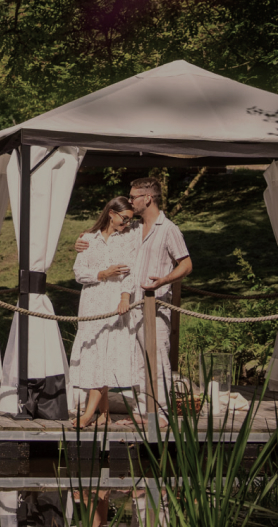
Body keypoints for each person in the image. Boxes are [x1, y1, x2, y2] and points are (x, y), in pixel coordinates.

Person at [76, 177, 192, 416]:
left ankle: (161, 414)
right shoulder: (134, 228)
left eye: (133, 197)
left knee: (157, 358)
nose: (130, 201)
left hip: (156, 305)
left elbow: (186, 264)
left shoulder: (168, 229)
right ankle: (142, 412)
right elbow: (107, 233)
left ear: (147, 198)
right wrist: (83, 239)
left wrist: (164, 280)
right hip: (133, 305)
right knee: (138, 360)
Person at [68, 196, 141, 428]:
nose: (127, 224)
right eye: (124, 219)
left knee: (105, 355)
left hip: (114, 304)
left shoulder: (128, 238)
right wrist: (102, 273)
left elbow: (131, 272)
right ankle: (105, 413)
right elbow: (79, 272)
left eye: (130, 220)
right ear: (111, 213)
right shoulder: (89, 239)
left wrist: (124, 296)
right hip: (91, 303)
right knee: (95, 353)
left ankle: (88, 414)